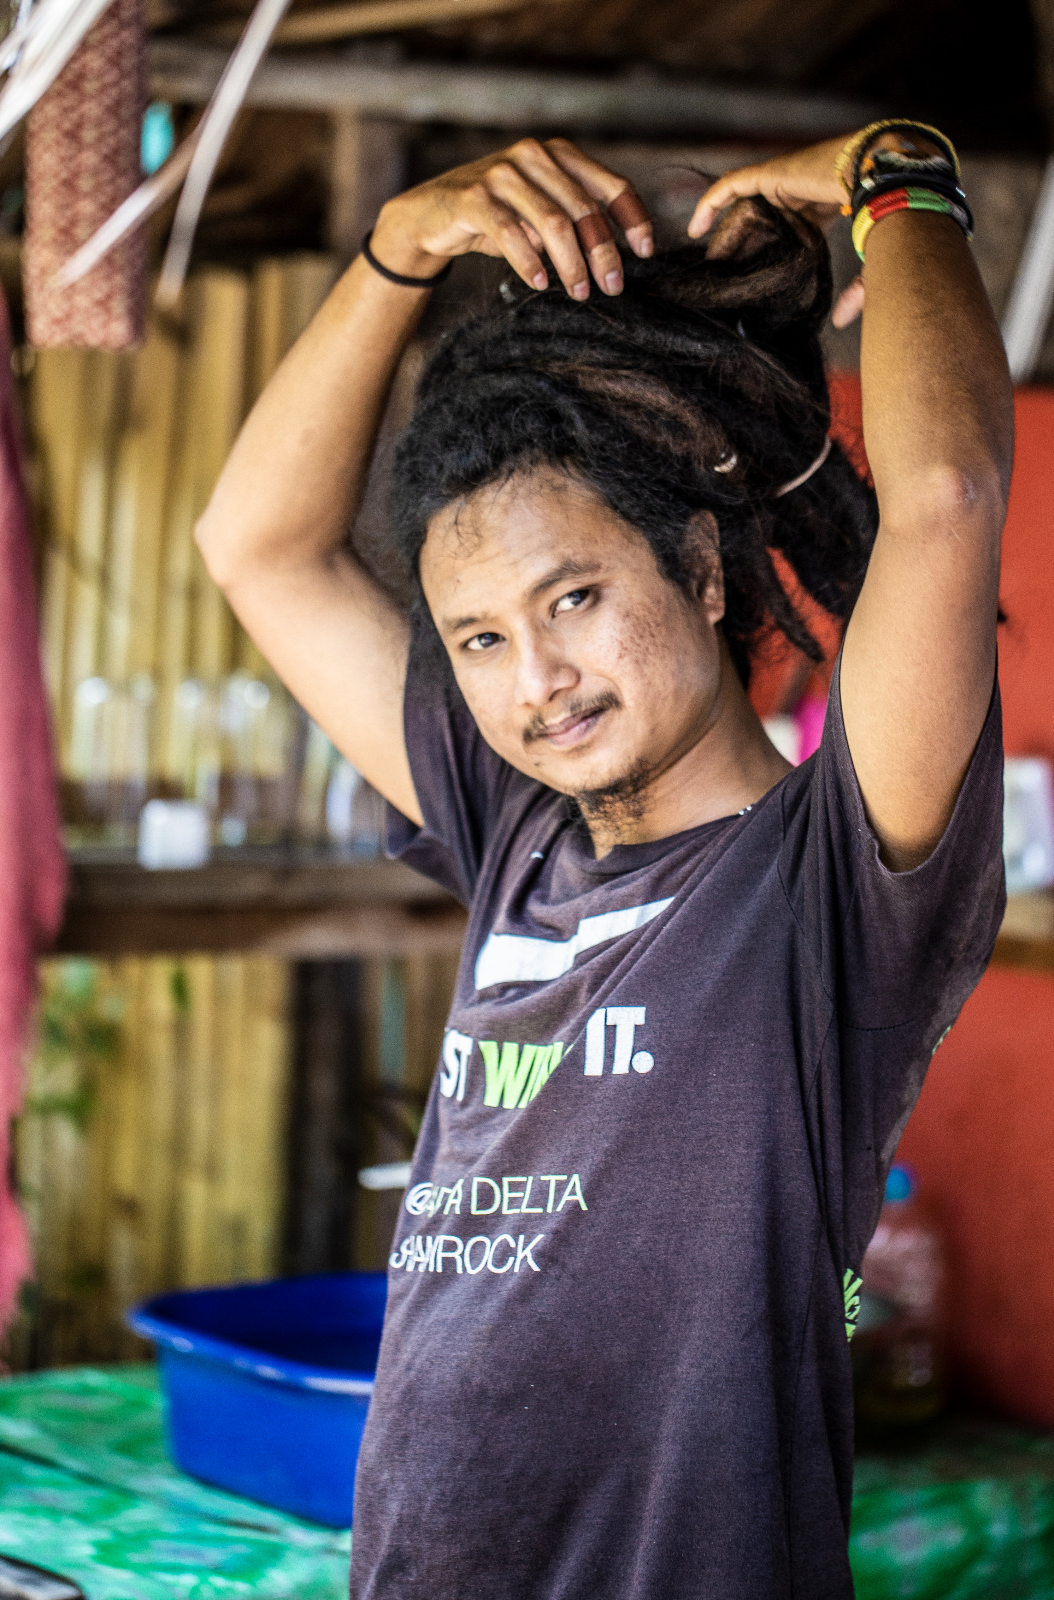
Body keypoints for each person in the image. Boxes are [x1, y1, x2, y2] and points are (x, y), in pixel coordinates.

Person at [197, 125, 1011, 1599]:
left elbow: (944, 496)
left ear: (697, 569)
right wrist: (397, 251)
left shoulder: (828, 881)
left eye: (572, 597)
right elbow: (256, 544)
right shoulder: (512, 827)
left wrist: (899, 179)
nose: (536, 682)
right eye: (479, 639)